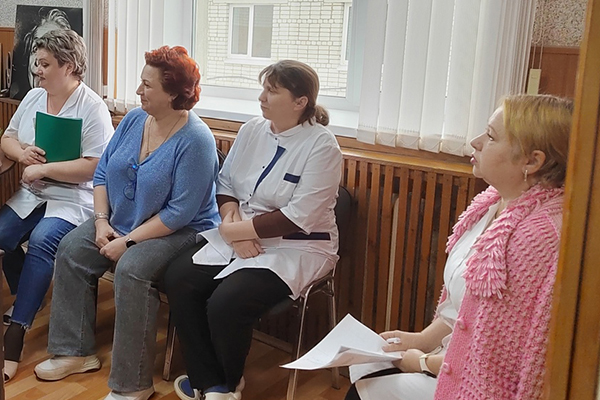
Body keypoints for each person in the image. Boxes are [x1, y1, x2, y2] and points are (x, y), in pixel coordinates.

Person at [344, 94, 572, 400]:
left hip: (477, 383)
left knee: (362, 391)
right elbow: (460, 308)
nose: (475, 142)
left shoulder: (538, 238)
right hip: (452, 356)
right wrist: (422, 339)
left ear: (532, 161)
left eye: (490, 136)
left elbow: (496, 362)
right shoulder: (491, 202)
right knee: (365, 365)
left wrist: (422, 362)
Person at [33, 46, 220, 400]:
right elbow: (102, 172)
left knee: (132, 269)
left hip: (181, 231)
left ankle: (133, 385)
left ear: (173, 93)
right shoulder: (135, 120)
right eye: (140, 82)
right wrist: (101, 221)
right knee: (72, 248)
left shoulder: (197, 140)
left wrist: (128, 241)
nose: (138, 91)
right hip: (121, 218)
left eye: (148, 85)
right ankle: (75, 352)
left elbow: (179, 213)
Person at [164, 59, 343, 400]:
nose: (262, 97)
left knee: (226, 303)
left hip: (297, 246)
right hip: (242, 233)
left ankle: (228, 385)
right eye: (263, 89)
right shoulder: (251, 130)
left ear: (300, 101)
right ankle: (209, 380)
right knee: (179, 278)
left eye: (272, 91)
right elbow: (226, 183)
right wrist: (232, 221)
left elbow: (299, 215)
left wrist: (238, 232)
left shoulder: (322, 147)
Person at [0, 29, 114, 382]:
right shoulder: (34, 97)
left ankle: (15, 334)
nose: (37, 71)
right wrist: (23, 154)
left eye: (45, 64)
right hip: (34, 192)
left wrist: (45, 169)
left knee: (42, 242)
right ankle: (28, 294)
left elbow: (96, 166)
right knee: (2, 235)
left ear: (69, 66)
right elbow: (8, 138)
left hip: (74, 198)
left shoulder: (92, 107)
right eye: (37, 63)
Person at [9, 8, 73, 100]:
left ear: (68, 67)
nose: (38, 62)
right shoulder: (29, 97)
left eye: (50, 49)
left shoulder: (86, 103)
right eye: (35, 48)